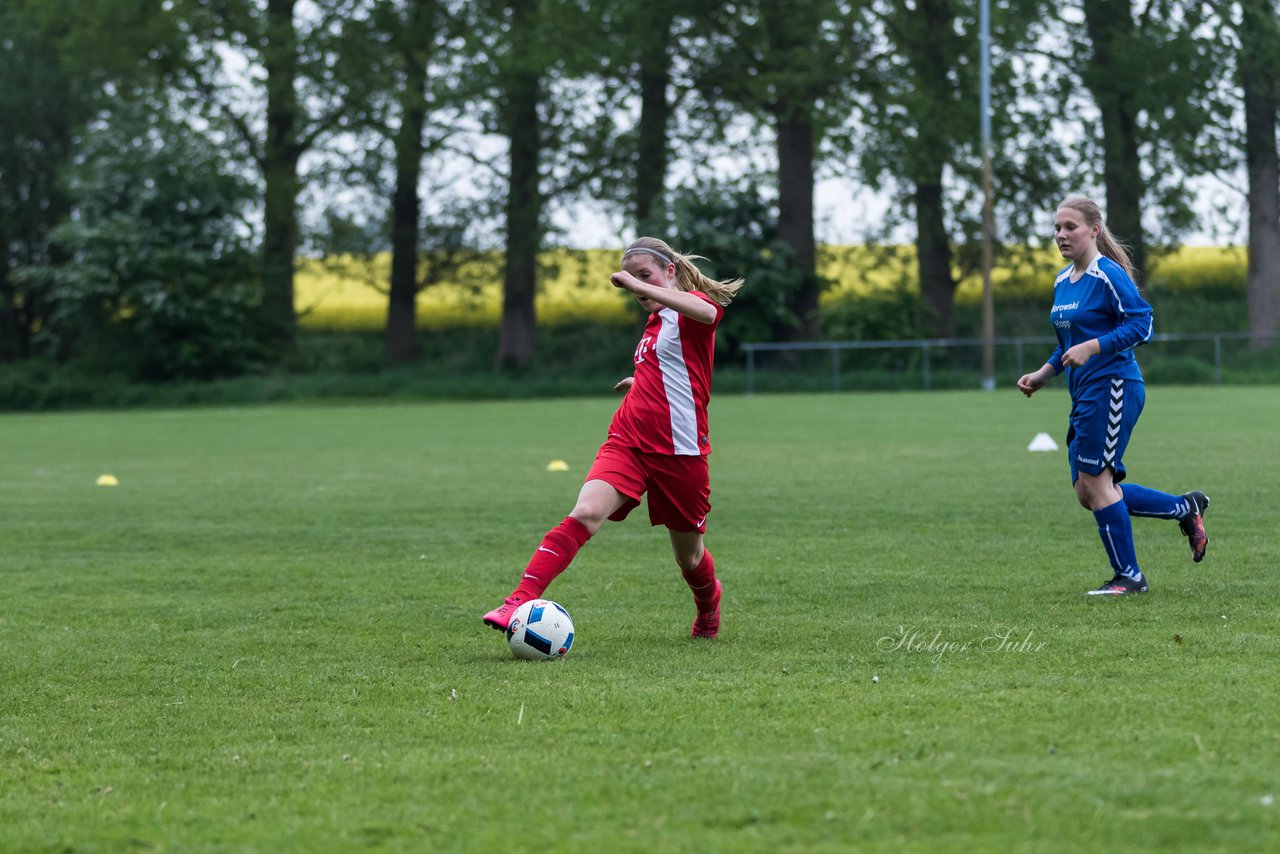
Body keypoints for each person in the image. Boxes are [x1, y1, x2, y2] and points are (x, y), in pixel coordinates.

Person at [482, 237, 743, 636]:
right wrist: (641, 380)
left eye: (646, 275)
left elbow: (709, 313)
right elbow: (672, 371)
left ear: (669, 271)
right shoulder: (654, 325)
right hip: (629, 440)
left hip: (681, 452)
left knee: (689, 557)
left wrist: (641, 287)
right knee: (586, 512)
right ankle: (518, 599)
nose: (639, 287)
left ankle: (709, 604)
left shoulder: (689, 310)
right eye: (634, 280)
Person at [1017, 196, 1210, 596]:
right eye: (1056, 228)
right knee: (1088, 493)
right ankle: (1185, 507)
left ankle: (1129, 577)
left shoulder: (1107, 274)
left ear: (1093, 229)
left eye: (1070, 227)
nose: (1061, 235)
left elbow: (1143, 323)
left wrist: (1096, 347)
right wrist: (1044, 373)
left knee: (1097, 483)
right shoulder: (1061, 281)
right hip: (1084, 389)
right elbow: (1067, 344)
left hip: (1115, 385)